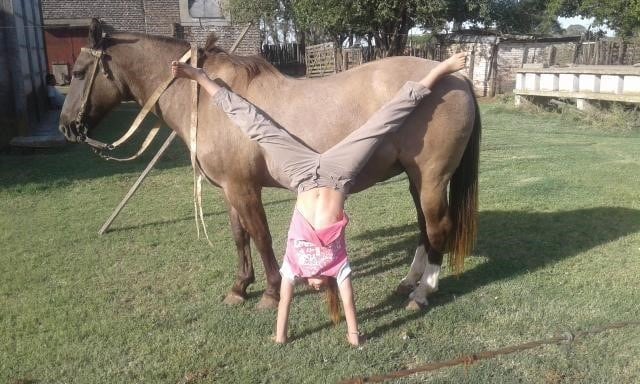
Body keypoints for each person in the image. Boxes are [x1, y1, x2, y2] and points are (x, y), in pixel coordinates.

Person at [171, 52, 467, 346]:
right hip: (339, 172)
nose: (312, 285)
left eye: (310, 285)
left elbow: (285, 297)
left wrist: (280, 335)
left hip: (299, 172)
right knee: (384, 122)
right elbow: (348, 301)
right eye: (318, 286)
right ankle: (441, 70)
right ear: (328, 281)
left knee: (255, 124)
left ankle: (201, 79)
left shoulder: (294, 264)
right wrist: (354, 334)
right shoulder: (337, 264)